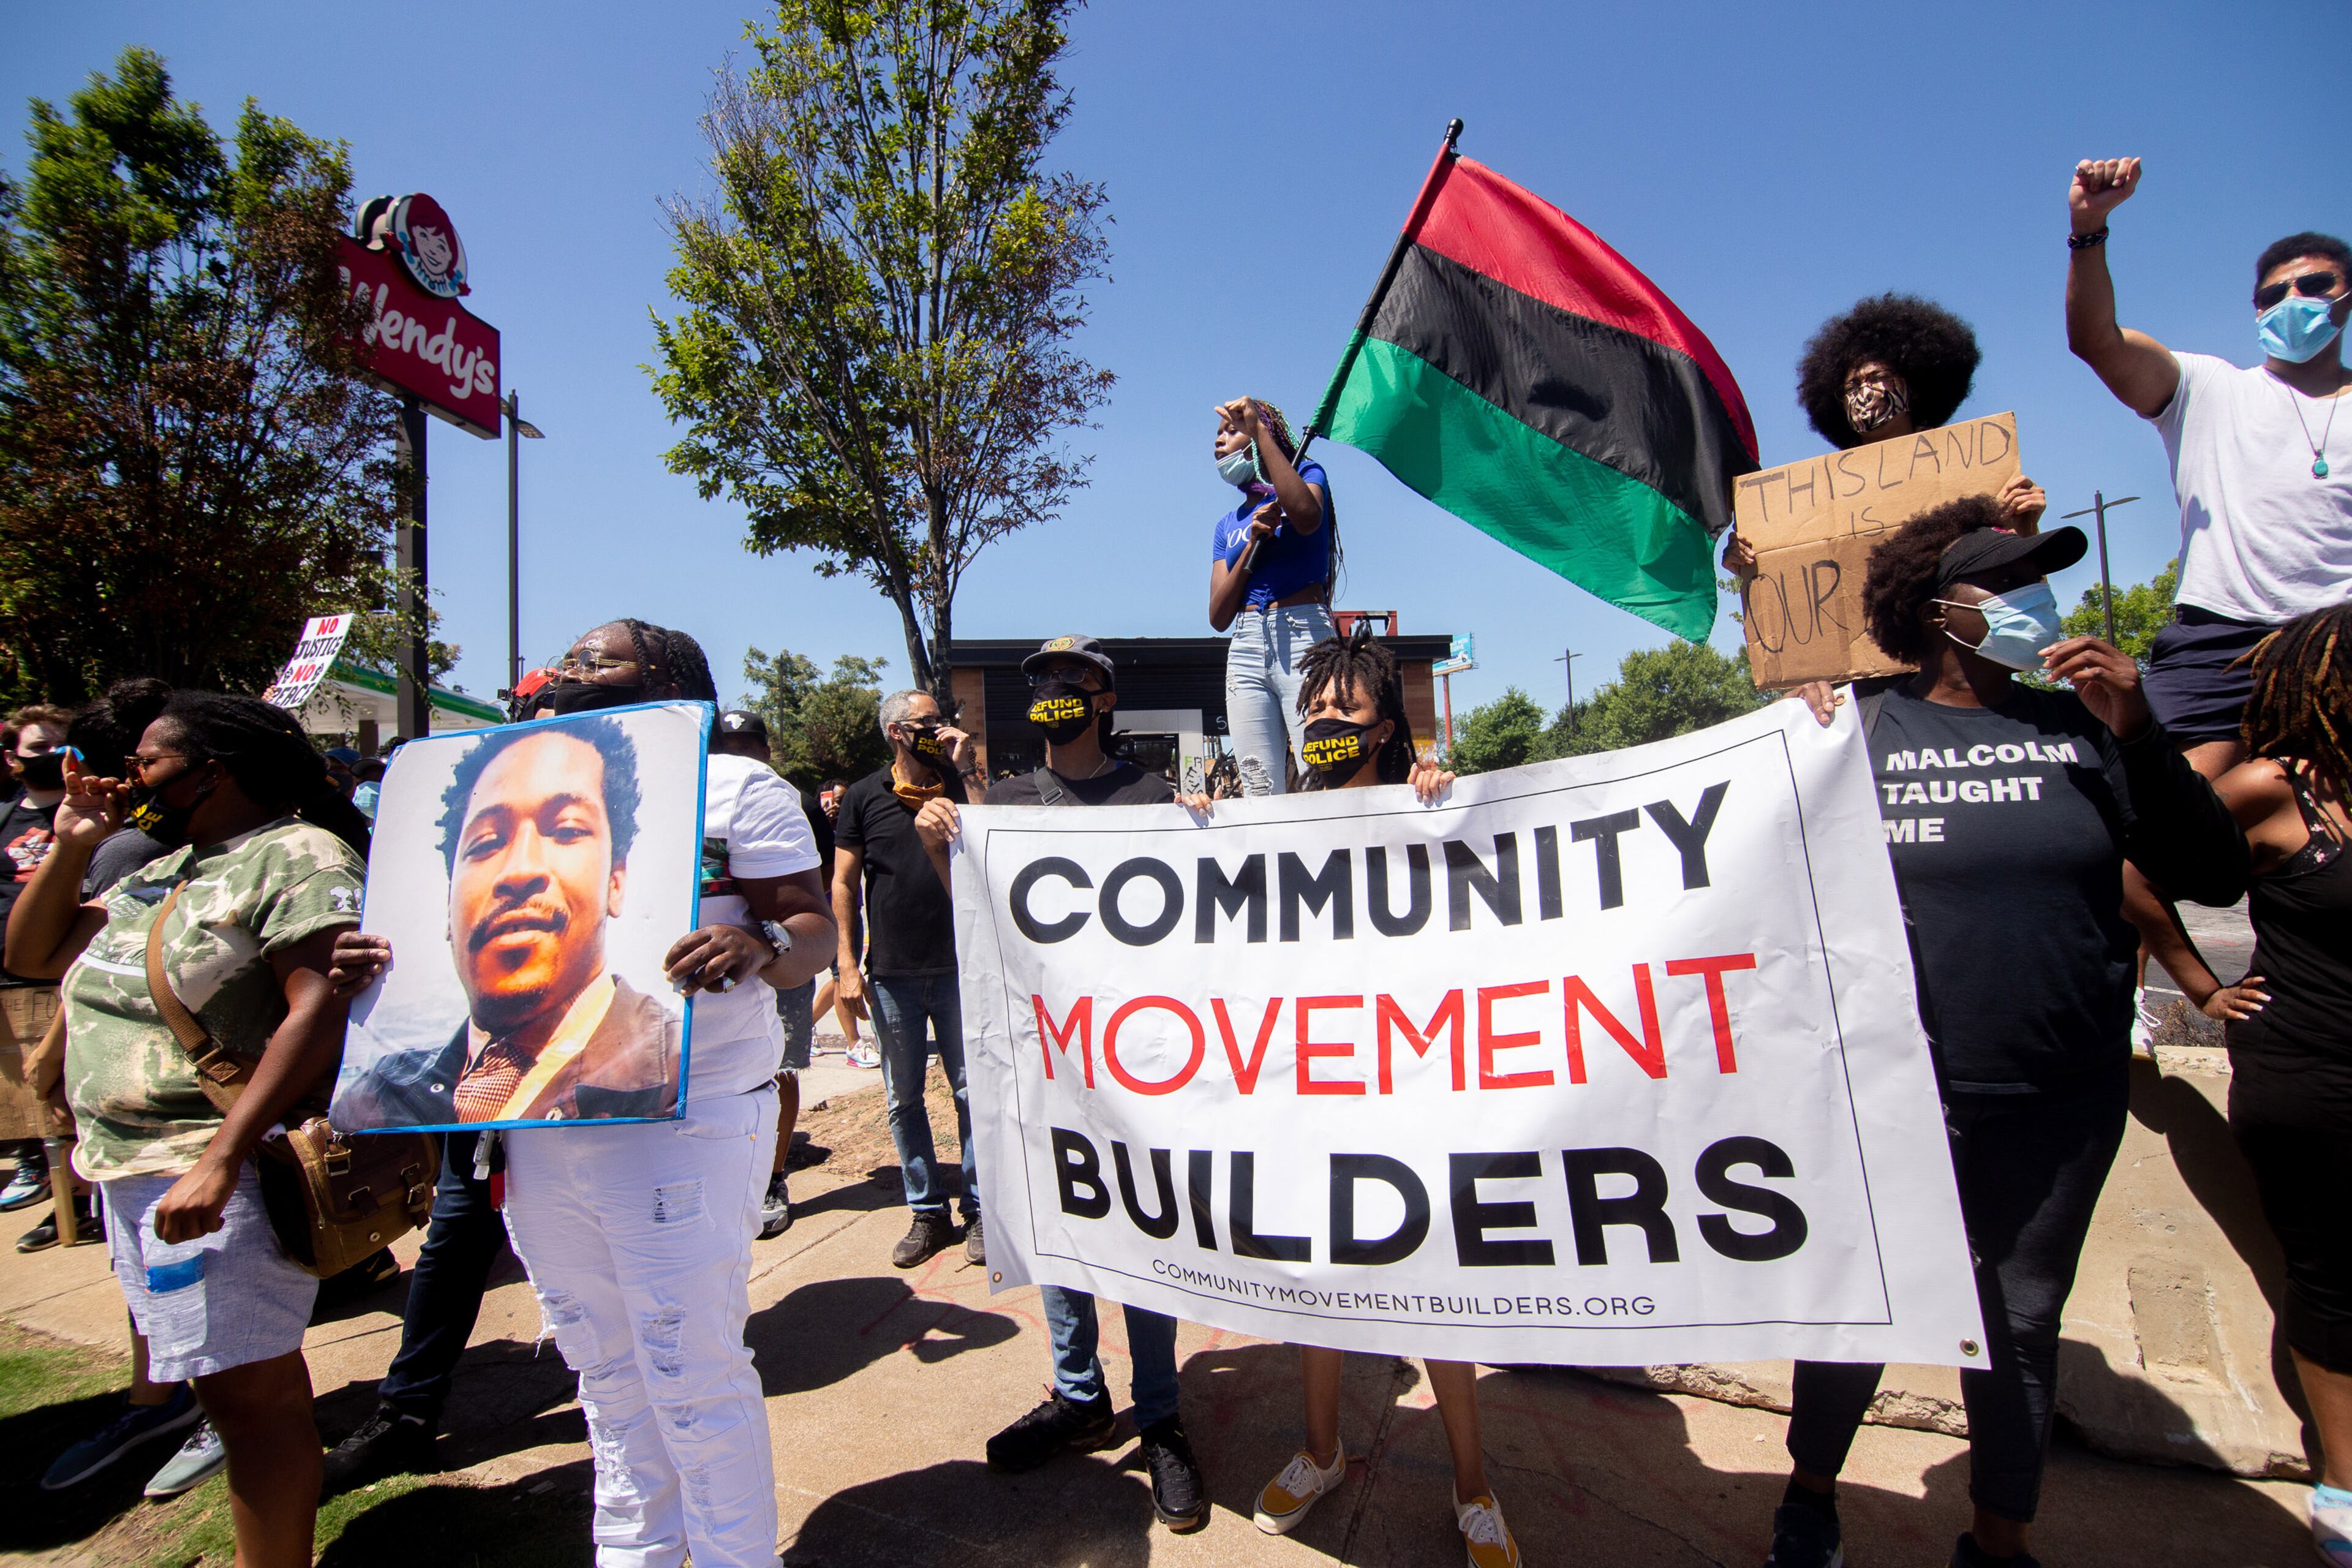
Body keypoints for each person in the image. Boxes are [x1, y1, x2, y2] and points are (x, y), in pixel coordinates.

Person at [1758, 499, 2248, 1568]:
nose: (2042, 607)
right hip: (1894, 1094)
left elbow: (2213, 872)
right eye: (2012, 588)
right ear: (1942, 614)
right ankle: (1810, 1497)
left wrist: (2142, 730)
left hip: (2059, 1097)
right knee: (1864, 1309)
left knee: (2021, 1320)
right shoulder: (1860, 727)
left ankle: (1999, 1536)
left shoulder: (2085, 732)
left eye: (2043, 586)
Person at [330, 618, 834, 1568]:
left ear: (670, 678)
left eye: (596, 659)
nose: (570, 670)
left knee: (691, 1369)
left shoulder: (734, 785)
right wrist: (372, 966)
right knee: (603, 1373)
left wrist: (760, 948)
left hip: (688, 1118)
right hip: (535, 1135)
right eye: (487, 846)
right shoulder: (493, 777)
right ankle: (636, 1551)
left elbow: (816, 930)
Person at [6, 693, 374, 1568]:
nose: (127, 776)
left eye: (147, 762)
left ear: (215, 771)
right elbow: (28, 955)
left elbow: (316, 1011)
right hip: (135, 1171)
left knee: (254, 1402)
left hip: (209, 1172)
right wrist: (71, 846)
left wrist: (220, 1160)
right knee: (224, 1392)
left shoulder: (297, 855)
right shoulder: (159, 870)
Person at [911, 634, 1213, 1533]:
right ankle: (1080, 1397)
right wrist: (941, 844)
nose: (1056, 690)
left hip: (1141, 1062)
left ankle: (1159, 1415)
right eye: (1043, 679)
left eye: (1076, 681)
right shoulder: (999, 803)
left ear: (1105, 700)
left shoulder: (1152, 797)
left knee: (1146, 1229)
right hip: (1046, 1061)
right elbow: (980, 914)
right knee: (1061, 1226)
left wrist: (1208, 828)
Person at [1243, 628, 1521, 1564]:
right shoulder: (1276, 824)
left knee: (1436, 1294)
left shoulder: (1425, 809)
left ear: (1385, 727)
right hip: (1317, 1095)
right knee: (1324, 1286)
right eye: (1315, 708)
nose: (1325, 722)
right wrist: (1196, 819)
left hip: (1416, 1093)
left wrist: (1441, 797)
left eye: (1344, 711)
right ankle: (1321, 1452)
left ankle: (1474, 1486)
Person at [2124, 606, 2352, 1564]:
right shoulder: (2273, 788)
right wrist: (2202, 985)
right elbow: (2136, 867)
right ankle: (2342, 1484)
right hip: (2316, 1079)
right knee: (2335, 1281)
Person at [2065, 158, 2352, 777]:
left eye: (2313, 287)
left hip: (2339, 643)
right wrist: (2089, 230)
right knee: (2164, 821)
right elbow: (2097, 341)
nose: (2291, 303)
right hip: (2217, 646)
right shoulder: (2206, 387)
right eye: (2273, 295)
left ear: (2346, 300)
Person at [334, 717, 680, 1126]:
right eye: (487, 842)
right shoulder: (380, 1096)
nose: (519, 871)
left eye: (567, 831)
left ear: (615, 882)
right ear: (449, 904)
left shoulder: (683, 1068)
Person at [1722, 295, 2046, 576]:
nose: (1863, 392)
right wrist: (1750, 555)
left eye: (1877, 377)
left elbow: (2013, 578)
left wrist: (2025, 526)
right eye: (1851, 385)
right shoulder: (1819, 495)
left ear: (1915, 387)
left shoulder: (1971, 470)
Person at [831, 687, 985, 1267]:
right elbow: (844, 884)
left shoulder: (959, 783)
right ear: (897, 732)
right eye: (928, 722)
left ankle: (978, 1210)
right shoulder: (865, 797)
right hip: (893, 972)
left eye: (942, 721)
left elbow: (991, 831)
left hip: (961, 969)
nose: (939, 729)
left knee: (972, 1091)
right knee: (904, 1098)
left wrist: (965, 765)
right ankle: (927, 1212)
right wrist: (848, 964)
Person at [710, 709, 814, 1240]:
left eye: (747, 745)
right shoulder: (688, 796)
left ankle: (774, 1177)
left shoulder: (783, 799)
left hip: (779, 967)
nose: (736, 755)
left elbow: (811, 904)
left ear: (765, 752)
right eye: (726, 745)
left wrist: (769, 945)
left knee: (783, 1068)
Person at [1207, 398, 1336, 795]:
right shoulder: (1227, 524)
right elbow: (1217, 615)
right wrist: (1251, 544)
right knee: (1259, 788)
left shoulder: (1307, 473)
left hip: (1304, 637)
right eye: (1217, 436)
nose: (1219, 442)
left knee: (1324, 775)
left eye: (1232, 430)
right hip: (1245, 645)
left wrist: (1261, 432)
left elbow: (1308, 516)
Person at [1, 704, 75, 1236]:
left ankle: (77, 1204)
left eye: (59, 746)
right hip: (12, 981)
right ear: (13, 759)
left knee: (68, 1093)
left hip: (68, 976)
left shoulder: (91, 817)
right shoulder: (6, 816)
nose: (50, 757)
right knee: (24, 1096)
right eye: (38, 748)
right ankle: (42, 1173)